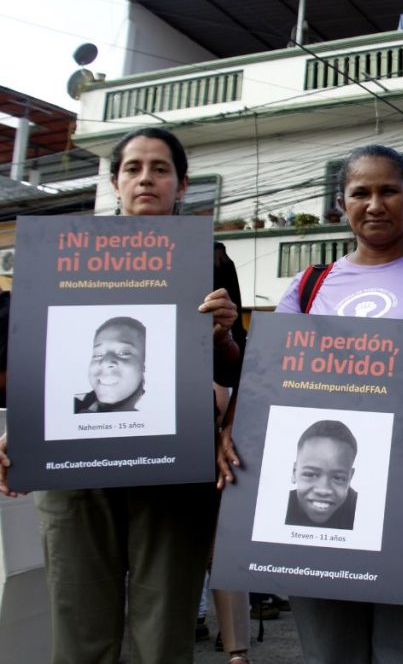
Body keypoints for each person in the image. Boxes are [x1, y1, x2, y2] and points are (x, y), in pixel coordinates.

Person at [0, 127, 244, 664]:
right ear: (115, 181)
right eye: (134, 168)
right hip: (75, 464)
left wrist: (224, 335)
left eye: (160, 169)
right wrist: (15, 425)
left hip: (171, 462)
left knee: (165, 625)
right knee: (79, 617)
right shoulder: (63, 253)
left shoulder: (211, 260)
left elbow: (239, 367)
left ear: (181, 185)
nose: (146, 179)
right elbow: (31, 351)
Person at [270, 144, 403, 663]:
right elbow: (270, 381)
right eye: (360, 192)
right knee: (331, 652)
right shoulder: (309, 287)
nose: (375, 203)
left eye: (389, 190)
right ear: (341, 204)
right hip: (324, 500)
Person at [285, 420, 358, 530]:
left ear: (349, 478)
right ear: (294, 472)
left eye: (338, 478)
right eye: (310, 474)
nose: (323, 490)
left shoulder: (363, 511)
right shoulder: (275, 507)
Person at [74, 316, 147, 413]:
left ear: (144, 364)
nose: (105, 362)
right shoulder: (75, 404)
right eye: (98, 354)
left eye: (124, 353)